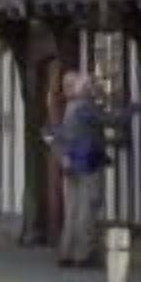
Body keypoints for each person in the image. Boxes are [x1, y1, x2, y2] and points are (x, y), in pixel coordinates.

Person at [50, 70, 110, 266]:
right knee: (87, 208)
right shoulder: (85, 108)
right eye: (90, 86)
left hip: (72, 165)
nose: (93, 89)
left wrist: (64, 158)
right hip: (87, 165)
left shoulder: (69, 108)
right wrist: (133, 110)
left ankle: (66, 253)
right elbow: (109, 120)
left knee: (73, 210)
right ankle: (83, 255)